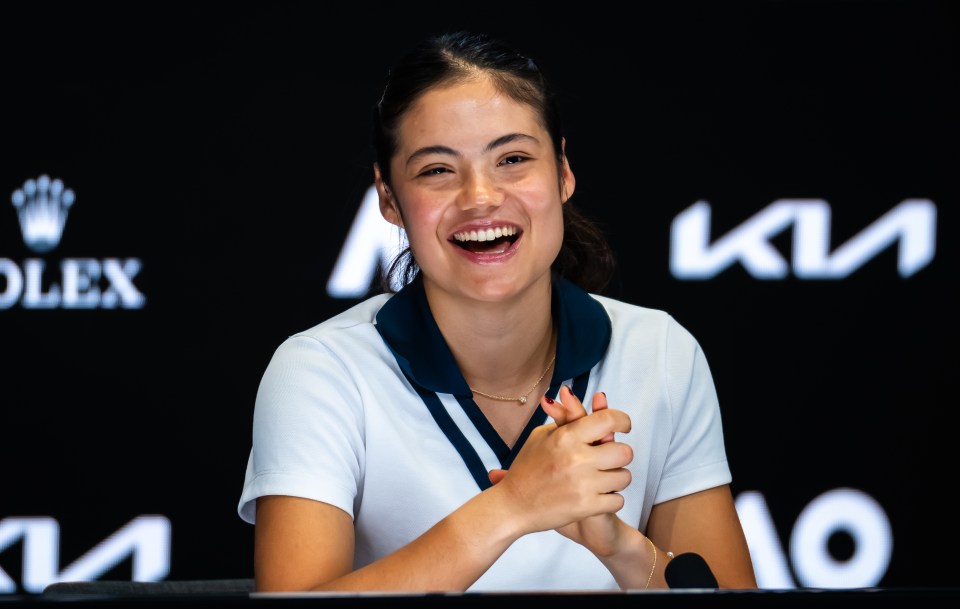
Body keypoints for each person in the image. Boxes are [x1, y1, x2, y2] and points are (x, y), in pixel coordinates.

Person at [237, 30, 757, 593]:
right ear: (388, 197)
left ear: (562, 172)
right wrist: (511, 506)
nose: (480, 196)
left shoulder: (660, 350)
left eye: (512, 159)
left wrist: (619, 545)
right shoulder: (319, 370)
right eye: (437, 170)